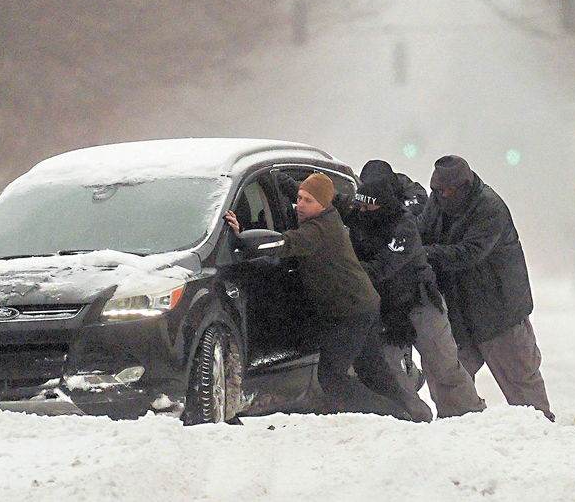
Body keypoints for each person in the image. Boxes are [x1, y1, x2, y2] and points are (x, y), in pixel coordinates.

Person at [225, 172, 421, 421]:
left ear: (324, 204)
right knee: (372, 370)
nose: (301, 205)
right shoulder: (326, 217)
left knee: (331, 377)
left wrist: (241, 238)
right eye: (299, 198)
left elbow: (281, 244)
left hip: (351, 312)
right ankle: (410, 413)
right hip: (363, 304)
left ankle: (390, 414)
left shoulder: (318, 230)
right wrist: (279, 179)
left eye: (308, 201)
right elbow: (303, 195)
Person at [345, 160, 485, 418]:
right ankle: (415, 418)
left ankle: (469, 416)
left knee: (444, 368)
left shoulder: (404, 227)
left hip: (421, 303)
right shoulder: (358, 218)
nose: (363, 213)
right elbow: (327, 201)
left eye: (369, 207)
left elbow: (383, 266)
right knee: (391, 374)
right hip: (385, 311)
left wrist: (346, 270)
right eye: (359, 207)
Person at [418, 155, 554, 421]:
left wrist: (423, 253)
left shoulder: (489, 207)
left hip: (500, 313)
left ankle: (541, 431)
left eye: (447, 190)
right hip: (459, 311)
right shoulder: (438, 201)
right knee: (446, 381)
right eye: (437, 190)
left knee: (524, 389)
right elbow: (421, 230)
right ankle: (459, 427)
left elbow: (469, 253)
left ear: (464, 186)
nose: (442, 195)